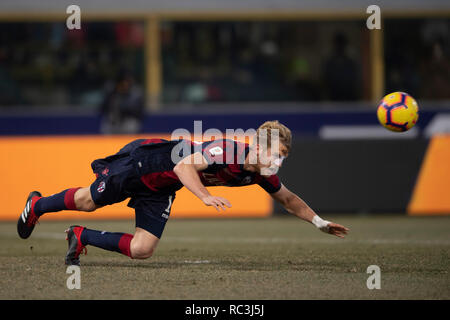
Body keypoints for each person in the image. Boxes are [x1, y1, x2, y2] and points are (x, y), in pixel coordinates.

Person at [17, 121, 349, 265]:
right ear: (258, 145)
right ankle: (37, 205)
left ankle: (80, 236)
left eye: (283, 157)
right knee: (86, 201)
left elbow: (289, 200)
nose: (278, 161)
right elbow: (183, 167)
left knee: (143, 248)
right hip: (147, 163)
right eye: (275, 153)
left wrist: (319, 222)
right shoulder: (228, 150)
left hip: (164, 187)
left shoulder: (259, 174)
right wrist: (204, 196)